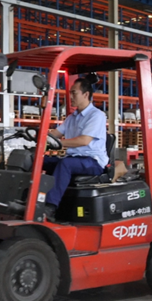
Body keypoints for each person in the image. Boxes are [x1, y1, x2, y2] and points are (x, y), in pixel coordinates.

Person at [42, 74, 109, 221]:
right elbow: (55, 134)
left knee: (65, 164)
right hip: (74, 159)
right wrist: (40, 137)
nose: (71, 97)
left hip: (92, 161)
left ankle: (50, 207)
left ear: (86, 94)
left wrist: (59, 143)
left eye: (74, 93)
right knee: (40, 161)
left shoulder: (96, 115)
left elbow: (84, 141)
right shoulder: (72, 117)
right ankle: (31, 200)